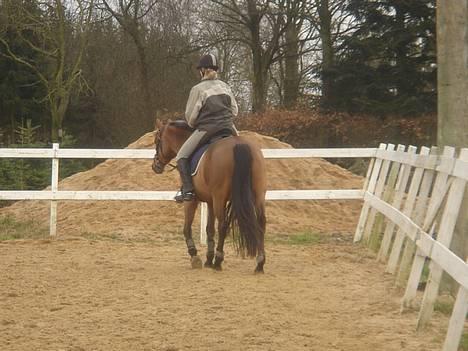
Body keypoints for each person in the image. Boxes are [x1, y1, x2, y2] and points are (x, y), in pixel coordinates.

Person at [174, 54, 239, 203]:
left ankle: (188, 191)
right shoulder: (225, 86)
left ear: (202, 70)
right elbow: (235, 111)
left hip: (207, 129)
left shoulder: (198, 89)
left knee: (181, 156)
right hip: (229, 128)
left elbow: (190, 118)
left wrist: (198, 123)